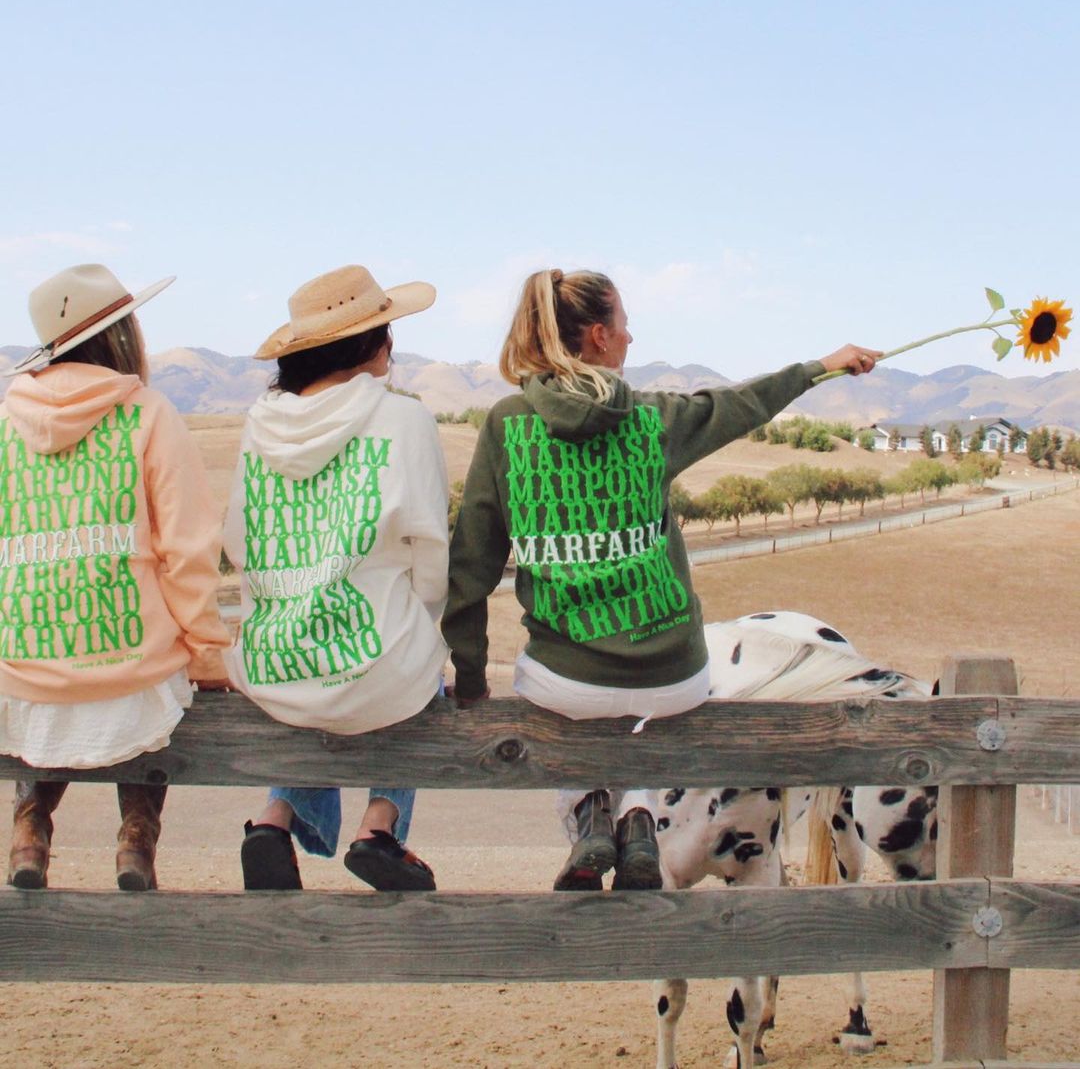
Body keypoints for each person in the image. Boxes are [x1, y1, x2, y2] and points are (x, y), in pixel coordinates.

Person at [442, 268, 881, 891]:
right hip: (676, 678)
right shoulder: (654, 419)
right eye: (624, 325)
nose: (631, 337)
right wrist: (823, 367)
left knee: (554, 689)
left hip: (566, 681)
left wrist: (470, 678)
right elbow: (742, 403)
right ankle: (640, 810)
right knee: (646, 705)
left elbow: (472, 565)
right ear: (599, 336)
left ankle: (590, 808)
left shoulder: (507, 424)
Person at [1, 263, 232, 890]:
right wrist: (207, 654)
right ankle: (135, 838)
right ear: (120, 336)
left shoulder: (6, 425)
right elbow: (186, 551)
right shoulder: (148, 414)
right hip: (128, 667)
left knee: (55, 701)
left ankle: (29, 829)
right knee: (156, 688)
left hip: (23, 672)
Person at [223, 265, 449, 891]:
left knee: (324, 684)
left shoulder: (258, 425)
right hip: (373, 665)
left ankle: (273, 821)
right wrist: (425, 630)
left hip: (273, 662)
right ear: (373, 342)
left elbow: (239, 541)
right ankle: (379, 827)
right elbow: (432, 555)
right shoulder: (405, 420)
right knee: (413, 672)